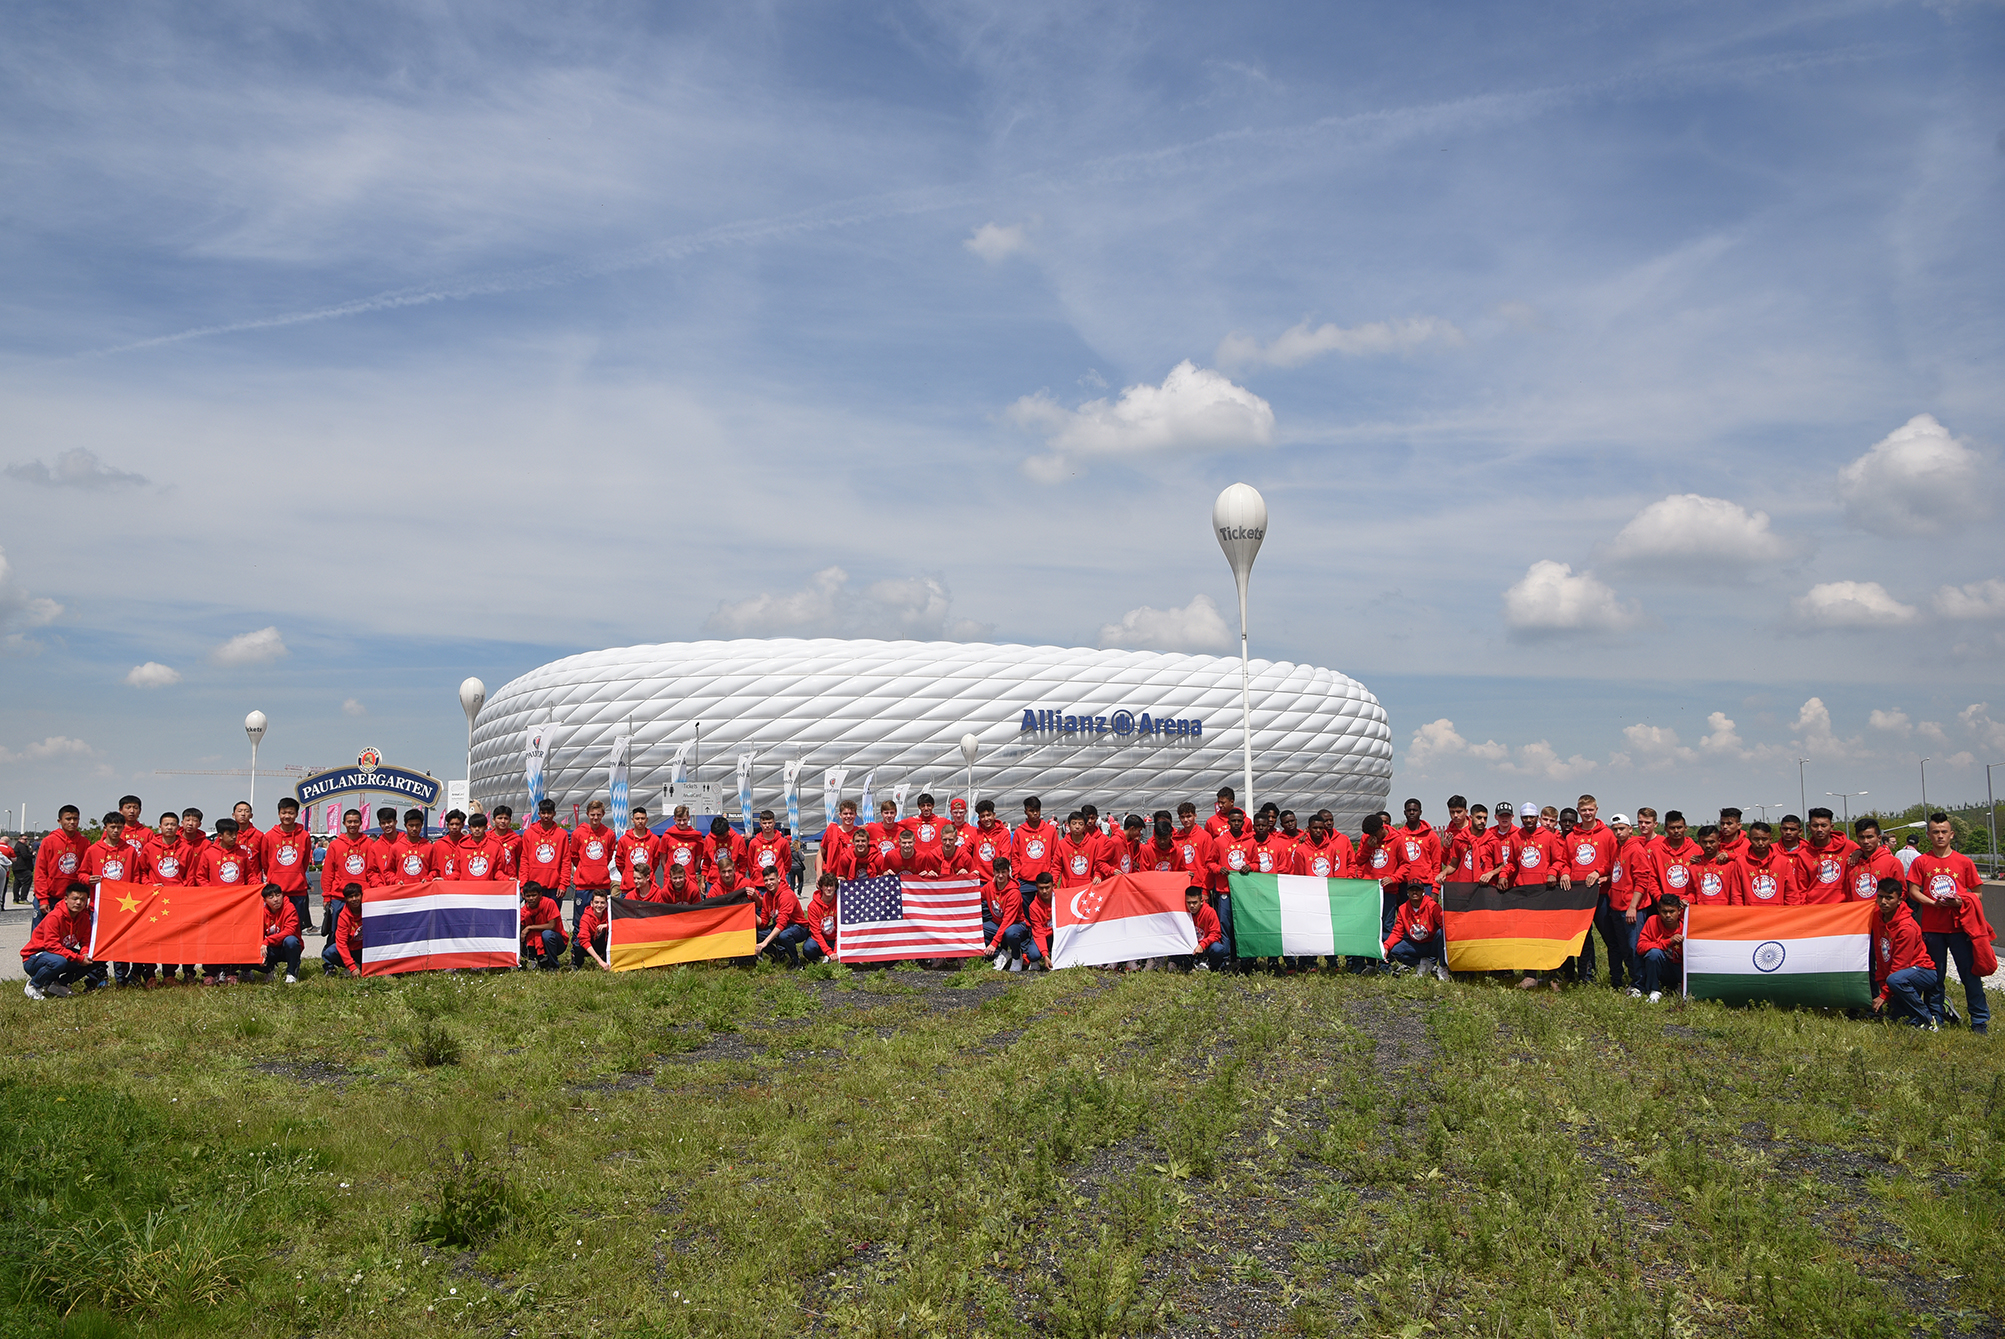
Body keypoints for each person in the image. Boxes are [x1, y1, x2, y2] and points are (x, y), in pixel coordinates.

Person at [1908, 813, 1988, 1034]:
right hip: (1932, 929)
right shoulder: (1921, 861)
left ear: (1951, 834)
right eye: (1935, 832)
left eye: (1944, 831)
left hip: (1960, 928)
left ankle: (1979, 1021)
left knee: (1970, 975)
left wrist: (1961, 900)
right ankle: (1936, 1016)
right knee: (1935, 977)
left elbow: (1978, 893)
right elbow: (1913, 891)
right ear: (1929, 835)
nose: (1940, 835)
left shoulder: (1964, 862)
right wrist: (1932, 903)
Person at [1870, 877, 1937, 1029]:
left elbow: (1901, 964)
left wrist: (1884, 995)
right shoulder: (1878, 918)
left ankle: (1928, 1019)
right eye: (1880, 896)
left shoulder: (1906, 927)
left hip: (1922, 970)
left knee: (1895, 980)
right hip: (1900, 975)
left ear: (1900, 900)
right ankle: (1913, 1013)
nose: (1883, 902)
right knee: (1898, 1019)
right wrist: (1883, 987)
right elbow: (1880, 957)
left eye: (1889, 898)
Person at [21, 882, 104, 998]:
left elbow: (86, 941)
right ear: (65, 899)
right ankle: (33, 985)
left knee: (95, 957)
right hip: (35, 958)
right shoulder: (55, 917)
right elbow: (51, 946)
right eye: (74, 898)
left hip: (59, 954)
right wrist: (78, 958)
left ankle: (59, 985)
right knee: (59, 961)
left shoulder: (84, 917)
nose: (78, 902)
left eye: (83, 899)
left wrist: (85, 953)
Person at [32, 806, 90, 930]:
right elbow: (40, 872)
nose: (72, 822)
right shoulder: (49, 841)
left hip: (71, 898)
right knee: (41, 933)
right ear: (59, 821)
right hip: (50, 897)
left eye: (75, 819)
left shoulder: (84, 843)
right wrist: (42, 898)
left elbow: (85, 870)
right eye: (68, 819)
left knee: (66, 933)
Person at [262, 798, 315, 933]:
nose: (287, 816)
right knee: (275, 929)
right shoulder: (269, 836)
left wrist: (297, 875)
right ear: (279, 814)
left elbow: (304, 862)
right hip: (276, 891)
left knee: (295, 929)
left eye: (291, 813)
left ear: (296, 814)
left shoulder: (304, 836)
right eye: (284, 812)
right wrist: (274, 876)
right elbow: (265, 862)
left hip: (297, 890)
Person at [1383, 881, 1449, 980]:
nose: (1414, 892)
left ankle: (1442, 968)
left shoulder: (1433, 906)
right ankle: (1423, 963)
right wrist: (1386, 947)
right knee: (1395, 951)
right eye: (1411, 890)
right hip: (1415, 945)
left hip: (1432, 944)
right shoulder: (1402, 909)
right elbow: (1397, 932)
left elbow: (1444, 926)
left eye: (1417, 890)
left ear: (1423, 892)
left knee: (1441, 933)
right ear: (1407, 893)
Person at [569, 799, 615, 933]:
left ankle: (601, 950)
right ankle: (577, 950)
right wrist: (585, 868)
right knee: (580, 920)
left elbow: (608, 856)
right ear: (587, 814)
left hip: (602, 884)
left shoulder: (609, 834)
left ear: (603, 815)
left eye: (598, 815)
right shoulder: (578, 833)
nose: (595, 818)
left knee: (603, 919)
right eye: (593, 815)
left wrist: (598, 868)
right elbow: (574, 856)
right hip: (583, 885)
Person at [1795, 807, 1857, 905]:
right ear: (1809, 827)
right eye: (1815, 825)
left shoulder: (1849, 847)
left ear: (1831, 827)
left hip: (1843, 907)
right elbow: (1801, 887)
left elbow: (1869, 858)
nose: (1819, 829)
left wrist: (1860, 852)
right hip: (1815, 908)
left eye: (1824, 825)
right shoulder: (1804, 854)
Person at [752, 866, 811, 964]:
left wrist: (765, 943)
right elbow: (763, 923)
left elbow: (782, 923)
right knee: (757, 935)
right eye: (766, 880)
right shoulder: (767, 896)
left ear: (779, 879)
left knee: (783, 935)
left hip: (799, 927)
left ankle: (796, 962)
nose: (769, 883)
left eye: (772, 879)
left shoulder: (787, 895)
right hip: (781, 926)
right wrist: (751, 914)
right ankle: (778, 955)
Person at [982, 858, 1033, 969]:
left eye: (1003, 872)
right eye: (998, 872)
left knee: (1010, 933)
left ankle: (1016, 956)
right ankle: (1001, 954)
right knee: (978, 931)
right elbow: (975, 897)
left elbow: (1008, 920)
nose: (1000, 875)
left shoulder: (1014, 893)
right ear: (993, 872)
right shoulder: (989, 887)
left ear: (1008, 872)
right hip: (997, 924)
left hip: (1017, 925)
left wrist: (994, 943)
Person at [1636, 894, 1685, 1002]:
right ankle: (1654, 990)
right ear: (1658, 910)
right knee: (1654, 953)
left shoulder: (1686, 925)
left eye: (1672, 911)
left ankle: (1681, 987)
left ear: (1679, 911)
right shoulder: (1652, 921)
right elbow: (1640, 947)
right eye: (1664, 911)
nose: (1668, 915)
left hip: (1681, 969)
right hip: (1663, 967)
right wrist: (1668, 941)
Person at [1736, 821, 1797, 907]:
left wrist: (1791, 914)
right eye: (1756, 839)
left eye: (1764, 839)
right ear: (1750, 839)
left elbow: (1791, 893)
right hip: (1750, 916)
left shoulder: (1782, 861)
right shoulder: (1741, 862)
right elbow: (1736, 894)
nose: (1760, 843)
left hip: (1777, 915)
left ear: (1770, 840)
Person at [1170, 885, 1229, 973]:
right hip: (1190, 948)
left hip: (1206, 947)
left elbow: (1216, 934)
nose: (1192, 906)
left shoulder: (1210, 912)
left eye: (1194, 902)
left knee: (1218, 949)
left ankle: (1212, 968)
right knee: (1172, 949)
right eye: (1188, 903)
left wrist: (1202, 945)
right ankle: (1190, 967)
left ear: (1201, 901)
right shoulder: (1182, 912)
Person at [1846, 818, 1906, 902]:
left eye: (1870, 837)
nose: (1866, 841)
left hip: (1881, 914)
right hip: (1859, 914)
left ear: (1879, 838)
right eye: (1862, 837)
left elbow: (1902, 893)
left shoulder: (1892, 862)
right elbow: (1848, 894)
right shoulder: (1852, 862)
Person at [1688, 826, 1749, 908]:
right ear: (1699, 842)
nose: (1708, 845)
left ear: (1719, 841)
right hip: (1702, 914)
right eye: (1704, 842)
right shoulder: (1694, 866)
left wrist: (1737, 911)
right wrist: (1686, 900)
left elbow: (1736, 894)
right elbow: (1692, 893)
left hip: (1725, 913)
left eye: (1712, 842)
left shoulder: (1730, 865)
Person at [519, 799, 570, 893]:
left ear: (554, 813)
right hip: (532, 886)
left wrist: (563, 884)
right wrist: (523, 884)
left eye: (549, 813)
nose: (546, 816)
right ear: (539, 814)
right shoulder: (529, 833)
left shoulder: (562, 834)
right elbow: (524, 860)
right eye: (543, 813)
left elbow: (565, 860)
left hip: (554, 886)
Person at [256, 883, 303, 984]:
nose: (276, 899)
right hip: (273, 948)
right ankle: (269, 970)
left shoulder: (289, 908)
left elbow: (290, 931)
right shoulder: (262, 912)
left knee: (291, 940)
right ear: (264, 900)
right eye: (271, 897)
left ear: (282, 895)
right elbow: (257, 932)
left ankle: (291, 972)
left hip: (287, 947)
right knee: (252, 949)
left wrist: (267, 941)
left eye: (278, 895)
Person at [1012, 798, 1058, 898]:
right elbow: (1015, 856)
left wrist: (1053, 876)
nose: (1035, 813)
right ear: (1025, 812)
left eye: (1037, 810)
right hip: (1024, 880)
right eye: (1031, 811)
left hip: (1045, 880)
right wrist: (1016, 874)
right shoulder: (1019, 832)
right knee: (1025, 912)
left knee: (1045, 912)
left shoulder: (1050, 831)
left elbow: (1056, 856)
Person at [519, 882, 566, 971]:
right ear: (523, 896)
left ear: (540, 895)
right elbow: (522, 932)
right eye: (528, 896)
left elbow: (551, 926)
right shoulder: (524, 911)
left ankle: (553, 965)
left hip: (556, 941)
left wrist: (529, 927)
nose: (531, 898)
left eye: (534, 895)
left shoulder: (549, 903)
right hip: (534, 942)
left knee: (547, 934)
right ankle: (536, 960)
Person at [656, 806, 708, 886]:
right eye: (679, 820)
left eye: (684, 820)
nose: (682, 823)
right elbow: (663, 860)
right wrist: (669, 874)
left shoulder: (696, 836)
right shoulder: (667, 836)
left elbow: (698, 859)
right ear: (674, 819)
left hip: (689, 879)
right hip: (671, 880)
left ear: (689, 818)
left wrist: (690, 872)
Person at [322, 883, 365, 976]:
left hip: (365, 949)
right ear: (345, 899)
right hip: (351, 949)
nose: (354, 899)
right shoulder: (343, 916)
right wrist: (352, 967)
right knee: (329, 952)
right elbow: (341, 943)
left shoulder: (370, 909)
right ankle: (354, 966)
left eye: (357, 895)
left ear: (362, 895)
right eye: (350, 897)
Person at [614, 806, 657, 897]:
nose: (640, 821)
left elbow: (655, 862)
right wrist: (627, 875)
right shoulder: (624, 840)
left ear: (647, 820)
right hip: (628, 888)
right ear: (632, 820)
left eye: (642, 818)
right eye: (637, 818)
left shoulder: (654, 839)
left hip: (648, 888)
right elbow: (619, 862)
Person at [967, 800, 1014, 879]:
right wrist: (968, 868)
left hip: (997, 879)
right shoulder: (975, 833)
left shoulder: (1003, 833)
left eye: (988, 815)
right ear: (979, 818)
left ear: (994, 815)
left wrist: (999, 874)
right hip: (979, 879)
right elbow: (964, 852)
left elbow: (1005, 855)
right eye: (983, 816)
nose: (986, 819)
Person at [803, 872, 841, 963]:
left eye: (831, 886)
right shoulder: (812, 906)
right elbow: (816, 932)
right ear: (821, 887)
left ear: (835, 887)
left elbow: (840, 930)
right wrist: (828, 952)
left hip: (835, 940)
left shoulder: (840, 903)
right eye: (826, 886)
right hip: (820, 939)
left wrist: (835, 952)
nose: (828, 889)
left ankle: (833, 957)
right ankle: (818, 960)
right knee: (808, 948)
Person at [748, 810, 793, 883]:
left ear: (774, 823)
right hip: (759, 882)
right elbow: (750, 863)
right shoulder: (754, 842)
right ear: (760, 824)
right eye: (764, 823)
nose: (767, 825)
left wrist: (781, 874)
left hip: (778, 882)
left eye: (769, 823)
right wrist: (756, 874)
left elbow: (787, 862)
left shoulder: (783, 842)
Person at [458, 812, 506, 881]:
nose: (477, 829)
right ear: (469, 828)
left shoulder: (495, 845)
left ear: (486, 827)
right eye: (474, 826)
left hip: (487, 889)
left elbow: (498, 871)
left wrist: (507, 879)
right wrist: (444, 879)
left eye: (480, 826)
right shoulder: (461, 846)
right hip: (466, 889)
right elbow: (457, 872)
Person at [1022, 872, 1055, 970]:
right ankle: (1045, 953)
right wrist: (1045, 955)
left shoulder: (1060, 899)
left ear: (1053, 885)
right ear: (1036, 887)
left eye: (1047, 887)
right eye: (1041, 888)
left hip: (1057, 935)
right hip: (1044, 935)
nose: (1044, 891)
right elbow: (1038, 932)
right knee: (1033, 955)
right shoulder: (1033, 907)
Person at [573, 891, 612, 970]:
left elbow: (619, 926)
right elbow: (584, 941)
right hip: (589, 944)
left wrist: (608, 926)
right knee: (578, 944)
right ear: (591, 903)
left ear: (607, 904)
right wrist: (599, 961)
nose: (599, 905)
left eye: (602, 903)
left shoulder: (610, 914)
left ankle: (608, 960)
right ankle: (576, 964)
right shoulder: (585, 918)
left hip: (602, 944)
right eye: (596, 902)